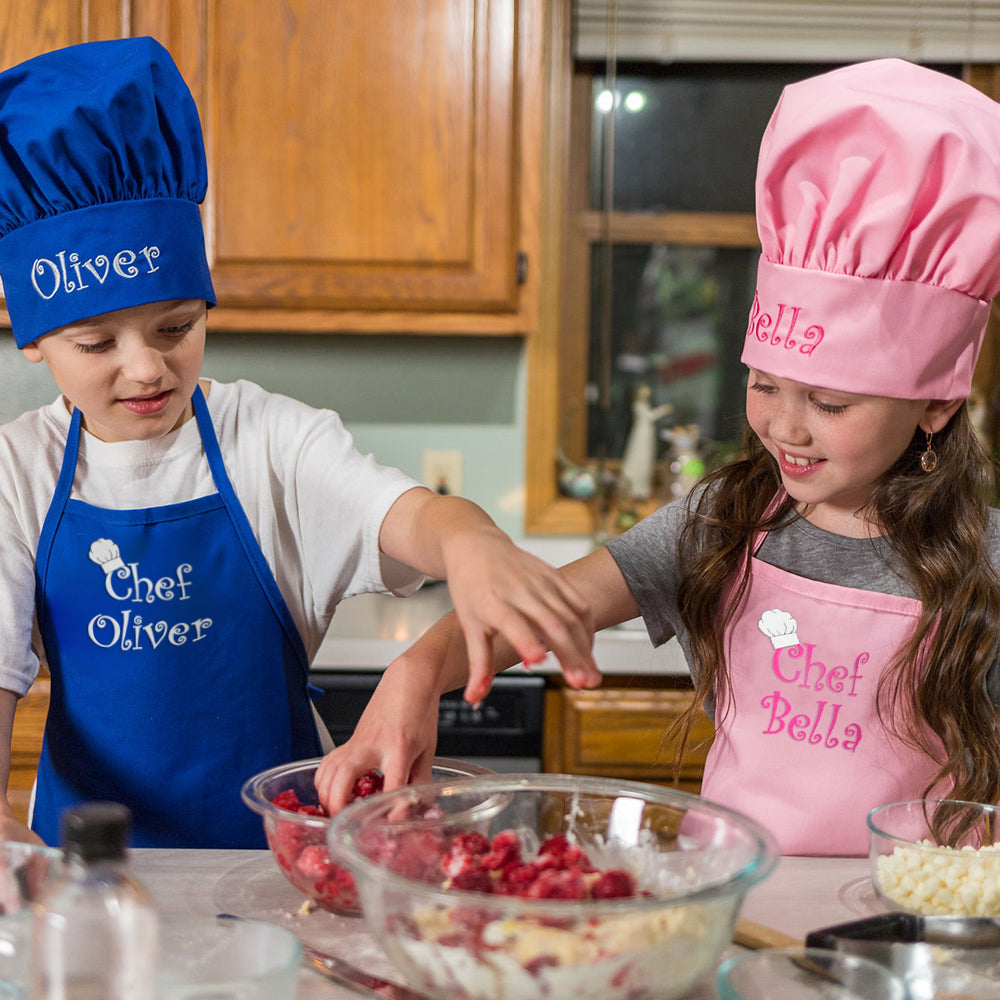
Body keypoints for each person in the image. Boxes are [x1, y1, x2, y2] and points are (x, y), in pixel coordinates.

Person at [315, 59, 1000, 856]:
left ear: (937, 404)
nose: (786, 427)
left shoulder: (985, 557)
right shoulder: (724, 522)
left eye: (832, 404)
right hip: (730, 903)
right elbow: (536, 613)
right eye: (766, 384)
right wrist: (415, 673)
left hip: (911, 922)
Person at [0, 37, 599, 849]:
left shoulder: (270, 440)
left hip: (282, 862)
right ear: (31, 339)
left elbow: (411, 517)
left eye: (177, 326)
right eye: (97, 345)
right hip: (86, 865)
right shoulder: (19, 469)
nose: (147, 368)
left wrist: (472, 542)